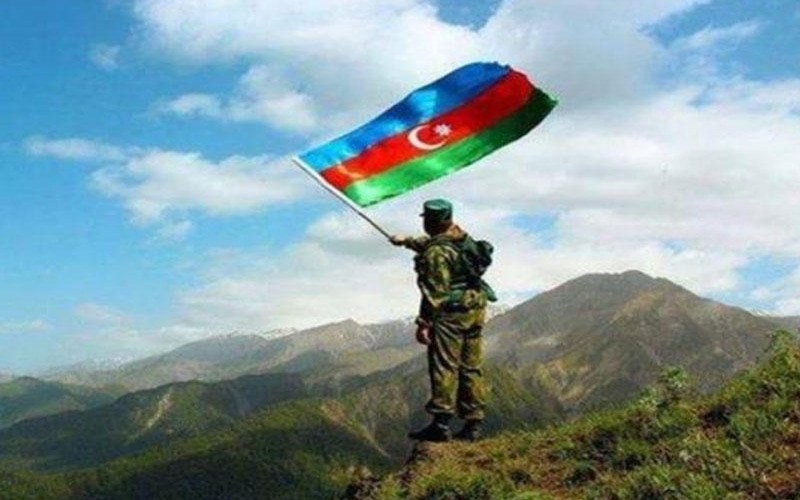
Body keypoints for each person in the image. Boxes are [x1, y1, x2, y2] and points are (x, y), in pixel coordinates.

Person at [390, 199, 494, 442]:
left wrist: (423, 324)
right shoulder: (461, 237)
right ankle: (473, 423)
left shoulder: (436, 253)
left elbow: (435, 293)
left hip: (451, 313)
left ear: (429, 221)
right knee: (471, 366)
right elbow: (433, 243)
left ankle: (441, 424)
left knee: (444, 365)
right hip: (475, 307)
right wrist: (406, 241)